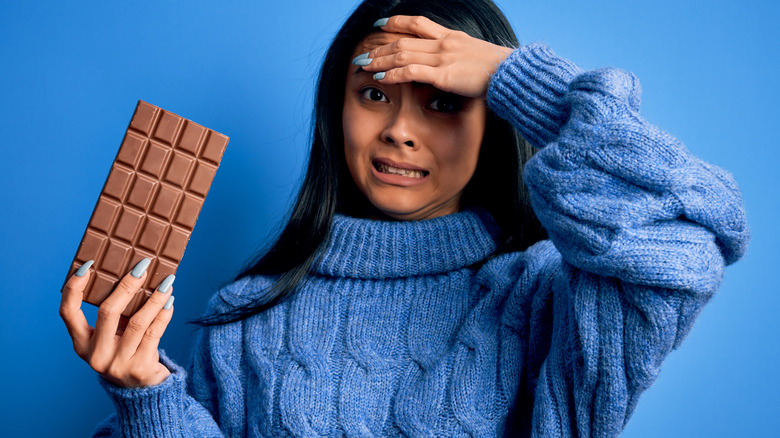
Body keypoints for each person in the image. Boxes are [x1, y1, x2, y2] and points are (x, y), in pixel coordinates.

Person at [59, 0, 749, 436]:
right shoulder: (247, 316)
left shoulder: (545, 295)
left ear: (494, 121)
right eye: (375, 93)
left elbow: (694, 238)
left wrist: (518, 80)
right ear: (338, 108)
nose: (399, 131)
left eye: (443, 102)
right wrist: (148, 398)